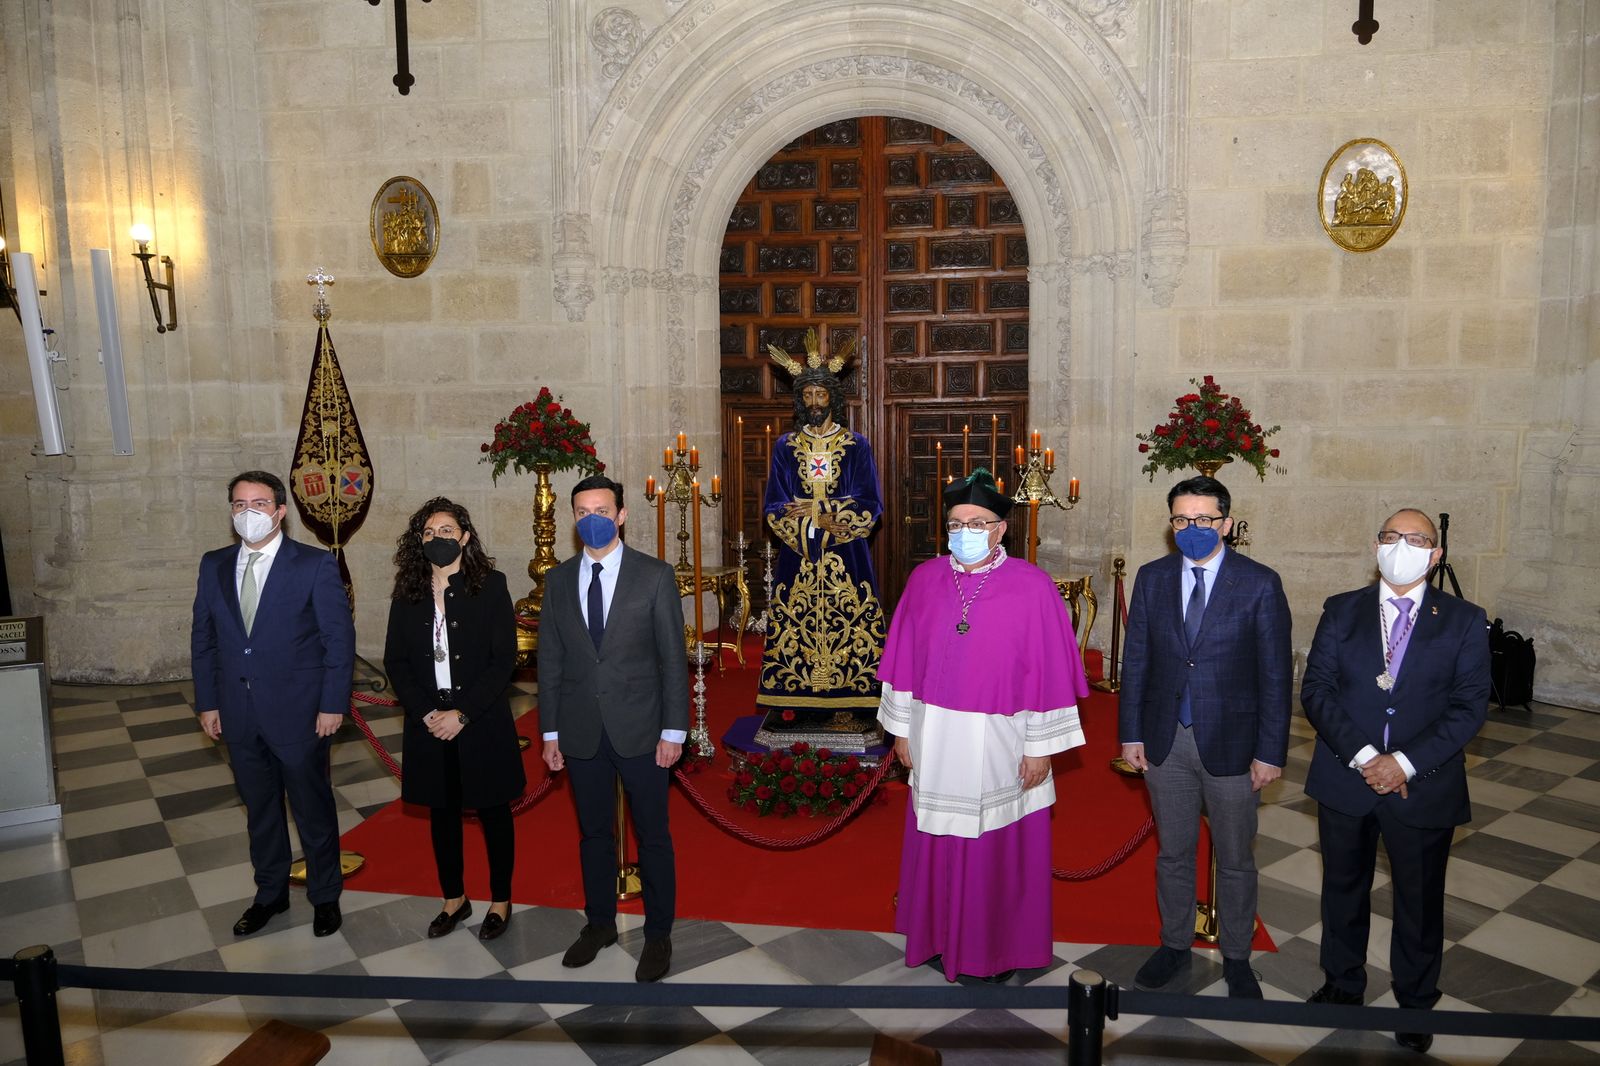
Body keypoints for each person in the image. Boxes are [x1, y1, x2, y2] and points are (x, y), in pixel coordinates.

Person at [878, 469, 1088, 982]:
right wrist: (902, 730)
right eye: (955, 523)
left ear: (1000, 530)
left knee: (996, 847)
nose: (964, 532)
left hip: (1002, 740)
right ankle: (934, 936)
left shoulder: (1033, 587)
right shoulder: (925, 579)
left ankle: (990, 951)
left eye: (976, 523)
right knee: (935, 837)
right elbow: (903, 659)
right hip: (935, 734)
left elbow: (1051, 674)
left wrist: (1040, 748)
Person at [1301, 508, 1490, 1054]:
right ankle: (1342, 985)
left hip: (1423, 783)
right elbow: (1317, 689)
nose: (1399, 545)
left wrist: (1402, 763)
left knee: (1420, 900)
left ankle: (1415, 1001)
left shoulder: (1463, 618)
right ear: (1376, 546)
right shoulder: (1342, 611)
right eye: (1389, 536)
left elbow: (1468, 707)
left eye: (1414, 539)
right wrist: (1366, 757)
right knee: (1342, 890)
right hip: (1345, 778)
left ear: (1435, 555)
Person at [1119, 475, 1291, 998]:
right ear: (1171, 525)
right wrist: (1130, 735)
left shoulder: (1259, 583)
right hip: (1166, 739)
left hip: (1235, 745)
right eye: (1181, 520)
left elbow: (1276, 675)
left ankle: (1237, 955)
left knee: (1236, 858)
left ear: (1227, 523)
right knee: (1174, 853)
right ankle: (1174, 944)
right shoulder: (1152, 578)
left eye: (1204, 519)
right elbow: (1139, 663)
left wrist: (1270, 750)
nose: (1192, 528)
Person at [191, 470, 354, 938]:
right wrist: (208, 701)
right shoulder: (213, 564)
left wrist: (331, 704)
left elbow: (337, 640)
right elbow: (203, 639)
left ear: (280, 511)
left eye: (258, 504)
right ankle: (269, 894)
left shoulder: (313, 564)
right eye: (239, 504)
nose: (248, 513)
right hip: (237, 712)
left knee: (311, 808)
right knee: (260, 809)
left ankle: (325, 895)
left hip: (301, 711)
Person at [539, 474, 688, 982]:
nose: (593, 519)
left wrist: (675, 731)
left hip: (643, 728)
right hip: (581, 730)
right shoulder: (558, 581)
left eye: (601, 509)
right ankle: (600, 924)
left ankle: (658, 935)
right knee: (594, 834)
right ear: (574, 520)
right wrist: (549, 733)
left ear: (621, 515)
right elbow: (551, 661)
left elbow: (673, 660)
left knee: (653, 836)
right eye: (582, 512)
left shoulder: (654, 575)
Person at [383, 497, 526, 941]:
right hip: (429, 721)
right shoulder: (407, 593)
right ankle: (455, 899)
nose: (437, 539)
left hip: (479, 718)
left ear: (464, 536)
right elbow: (396, 661)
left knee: (492, 811)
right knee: (442, 814)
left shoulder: (491, 585)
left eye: (446, 531)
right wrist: (429, 713)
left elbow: (504, 659)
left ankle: (500, 899)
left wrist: (462, 713)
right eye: (428, 533)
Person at [756, 330, 886, 751]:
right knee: (795, 623)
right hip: (799, 558)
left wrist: (824, 515)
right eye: (807, 394)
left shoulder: (855, 446)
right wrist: (805, 524)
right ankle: (795, 701)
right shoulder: (785, 446)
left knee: (853, 620)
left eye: (820, 394)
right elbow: (776, 506)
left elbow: (871, 502)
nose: (814, 402)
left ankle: (856, 699)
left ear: (833, 397)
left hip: (847, 556)